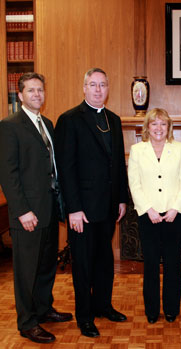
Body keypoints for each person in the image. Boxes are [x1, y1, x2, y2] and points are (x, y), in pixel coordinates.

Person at [54, 68, 128, 338]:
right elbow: (66, 168)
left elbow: (118, 163)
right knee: (83, 265)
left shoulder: (114, 120)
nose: (98, 90)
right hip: (82, 210)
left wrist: (122, 199)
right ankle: (84, 316)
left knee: (105, 261)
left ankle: (103, 305)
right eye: (93, 85)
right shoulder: (70, 119)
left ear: (108, 88)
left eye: (102, 85)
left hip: (108, 208)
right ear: (84, 88)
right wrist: (73, 208)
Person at [0, 72, 72, 344]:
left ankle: (43, 309)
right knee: (26, 270)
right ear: (20, 96)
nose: (36, 95)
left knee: (45, 265)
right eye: (30, 90)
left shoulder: (48, 123)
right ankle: (27, 322)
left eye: (40, 90)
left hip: (50, 208)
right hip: (28, 213)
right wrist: (21, 211)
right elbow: (8, 173)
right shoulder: (9, 126)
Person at [128, 108, 181, 324]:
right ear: (147, 127)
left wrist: (175, 208)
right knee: (151, 264)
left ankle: (172, 309)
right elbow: (134, 183)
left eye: (163, 124)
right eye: (154, 123)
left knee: (173, 263)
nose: (158, 128)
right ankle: (152, 310)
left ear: (169, 127)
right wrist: (148, 209)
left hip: (174, 214)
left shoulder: (180, 149)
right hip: (148, 215)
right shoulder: (137, 150)